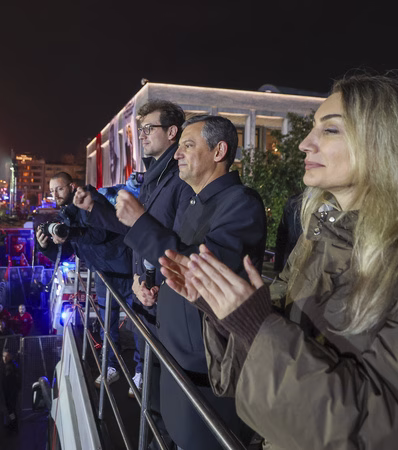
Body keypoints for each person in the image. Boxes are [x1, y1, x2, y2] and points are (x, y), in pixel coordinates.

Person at [159, 74, 398, 450]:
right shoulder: (320, 236)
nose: (305, 143)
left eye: (330, 130)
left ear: (382, 142)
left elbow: (392, 432)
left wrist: (256, 326)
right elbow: (277, 345)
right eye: (312, 128)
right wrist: (226, 313)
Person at [117, 115, 266, 449]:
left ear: (219, 151)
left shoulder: (242, 203)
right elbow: (179, 255)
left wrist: (140, 223)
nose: (177, 154)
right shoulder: (195, 201)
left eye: (187, 145)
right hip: (175, 359)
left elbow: (200, 269)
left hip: (205, 376)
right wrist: (155, 284)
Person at [74, 99, 193, 398]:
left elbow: (174, 239)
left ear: (171, 132)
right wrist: (142, 279)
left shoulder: (180, 178)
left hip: (172, 300)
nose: (140, 135)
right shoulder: (153, 176)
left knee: (164, 392)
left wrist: (156, 284)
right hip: (148, 289)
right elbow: (138, 230)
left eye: (148, 128)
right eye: (139, 129)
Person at [37, 172, 135, 388]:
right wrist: (45, 246)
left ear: (72, 186)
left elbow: (101, 234)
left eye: (59, 188)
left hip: (124, 272)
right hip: (102, 274)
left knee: (138, 325)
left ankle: (141, 371)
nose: (55, 194)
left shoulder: (92, 199)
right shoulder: (66, 214)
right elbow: (67, 251)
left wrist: (70, 233)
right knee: (106, 327)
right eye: (51, 190)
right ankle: (110, 367)